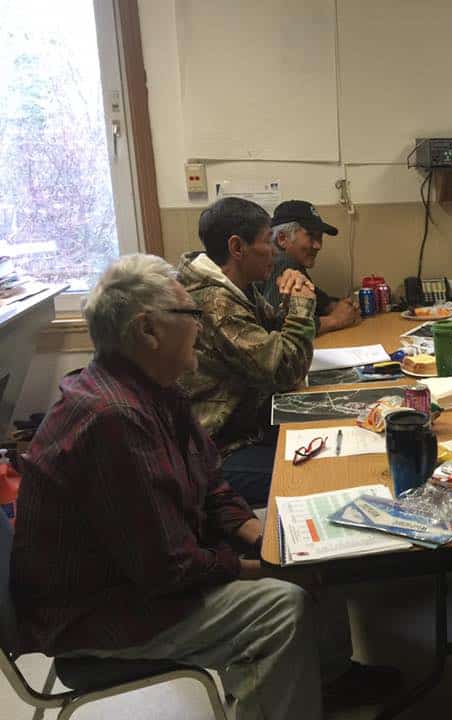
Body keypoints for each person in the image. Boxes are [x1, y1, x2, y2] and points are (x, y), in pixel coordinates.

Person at [11, 254, 400, 719]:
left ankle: (327, 678)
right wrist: (267, 568)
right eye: (191, 315)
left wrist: (267, 540)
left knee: (306, 536)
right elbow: (168, 569)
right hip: (102, 612)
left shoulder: (157, 387)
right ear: (147, 331)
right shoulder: (112, 419)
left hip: (142, 576)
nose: (200, 325)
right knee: (282, 607)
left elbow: (211, 483)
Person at [177, 197, 315, 507]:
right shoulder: (215, 302)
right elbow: (284, 369)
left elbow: (269, 336)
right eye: (267, 241)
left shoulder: (232, 287)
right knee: (315, 474)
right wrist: (303, 306)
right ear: (237, 248)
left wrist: (290, 299)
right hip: (220, 450)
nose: (275, 251)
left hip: (245, 428)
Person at [261, 199, 362, 334]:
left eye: (320, 237)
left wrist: (337, 306)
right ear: (282, 238)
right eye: (311, 236)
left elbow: (317, 297)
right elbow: (275, 326)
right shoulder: (282, 261)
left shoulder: (294, 261)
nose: (318, 246)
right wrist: (334, 320)